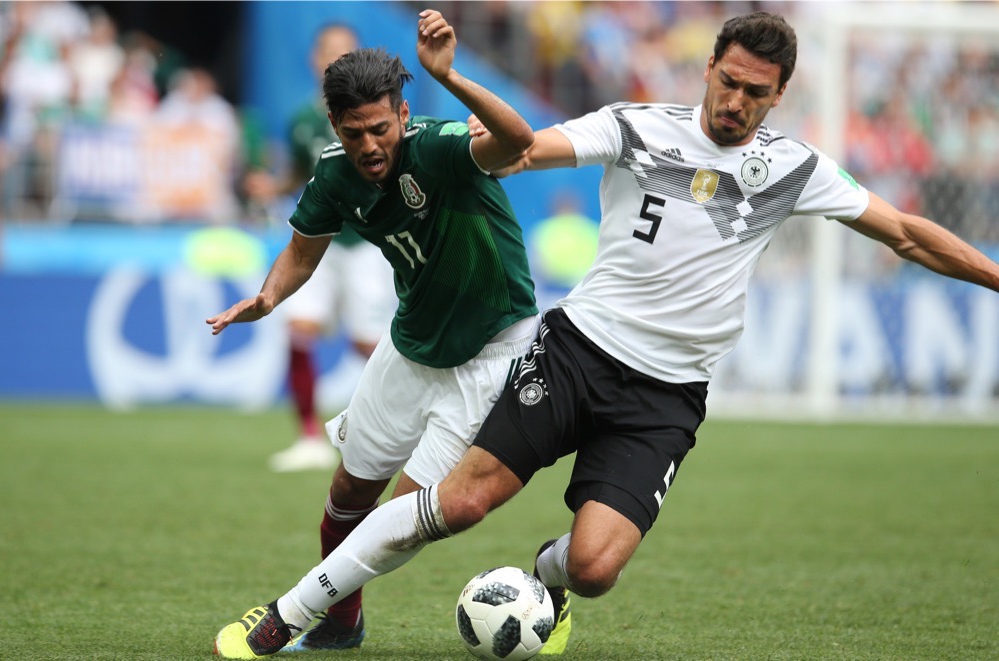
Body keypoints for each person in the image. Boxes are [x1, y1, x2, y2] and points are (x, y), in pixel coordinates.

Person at [212, 10, 999, 659]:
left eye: (756, 93)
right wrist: (484, 126)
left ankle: (542, 585)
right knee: (458, 502)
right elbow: (529, 147)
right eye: (728, 82)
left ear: (779, 94)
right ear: (708, 71)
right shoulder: (636, 128)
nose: (736, 101)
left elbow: (903, 232)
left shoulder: (794, 169)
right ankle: (291, 613)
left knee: (592, 568)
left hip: (667, 396)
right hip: (575, 352)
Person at [209, 8, 538, 658]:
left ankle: (292, 610)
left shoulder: (442, 147)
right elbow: (304, 249)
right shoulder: (334, 171)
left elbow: (517, 137)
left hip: (491, 350)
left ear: (404, 115)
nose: (369, 146)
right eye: (355, 132)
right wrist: (270, 296)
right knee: (347, 494)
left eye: (381, 128)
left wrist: (453, 76)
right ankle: (342, 622)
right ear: (335, 124)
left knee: (404, 518)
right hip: (410, 345)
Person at [244, 23, 397, 473]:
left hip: (368, 243)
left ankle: (396, 431)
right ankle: (309, 436)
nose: (332, 59)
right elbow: (299, 173)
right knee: (299, 328)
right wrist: (271, 185)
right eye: (326, 52)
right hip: (316, 244)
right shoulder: (303, 123)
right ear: (314, 60)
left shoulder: (378, 115)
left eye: (342, 52)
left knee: (372, 344)